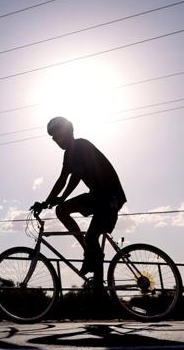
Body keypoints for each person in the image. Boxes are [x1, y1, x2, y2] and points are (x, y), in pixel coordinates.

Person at [29, 116, 126, 285]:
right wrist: (46, 202)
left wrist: (62, 198)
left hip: (110, 197)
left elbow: (77, 174)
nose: (55, 140)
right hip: (98, 196)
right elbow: (62, 180)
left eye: (57, 135)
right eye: (53, 138)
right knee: (62, 211)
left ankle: (96, 277)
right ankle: (89, 253)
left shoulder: (81, 145)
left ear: (68, 132)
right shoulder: (68, 156)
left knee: (91, 237)